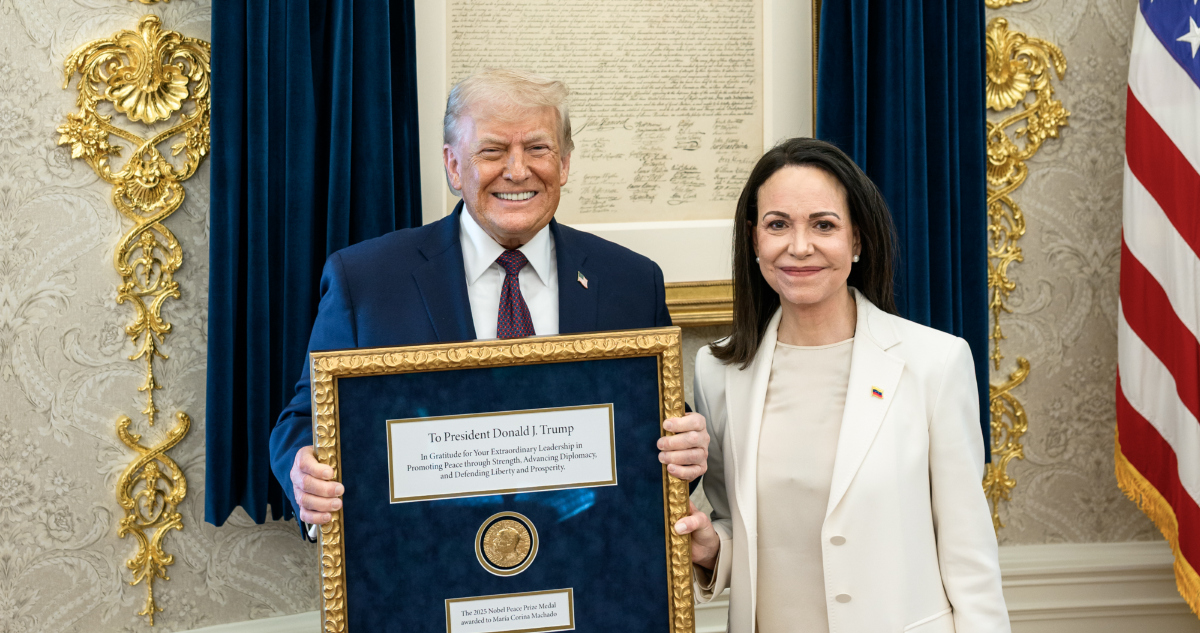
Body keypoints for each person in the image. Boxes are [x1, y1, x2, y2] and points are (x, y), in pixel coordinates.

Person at [269, 68, 710, 531]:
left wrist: (685, 448)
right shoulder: (366, 281)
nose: (517, 170)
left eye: (537, 148)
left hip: (588, 565)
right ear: (454, 166)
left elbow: (656, 426)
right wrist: (305, 472)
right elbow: (305, 419)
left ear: (563, 163)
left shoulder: (632, 282)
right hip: (424, 566)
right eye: (493, 151)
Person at [673, 138, 1010, 632]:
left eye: (824, 225)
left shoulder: (935, 363)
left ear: (856, 241)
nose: (799, 246)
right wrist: (711, 548)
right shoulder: (718, 371)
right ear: (754, 241)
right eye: (778, 225)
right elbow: (740, 526)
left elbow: (969, 555)